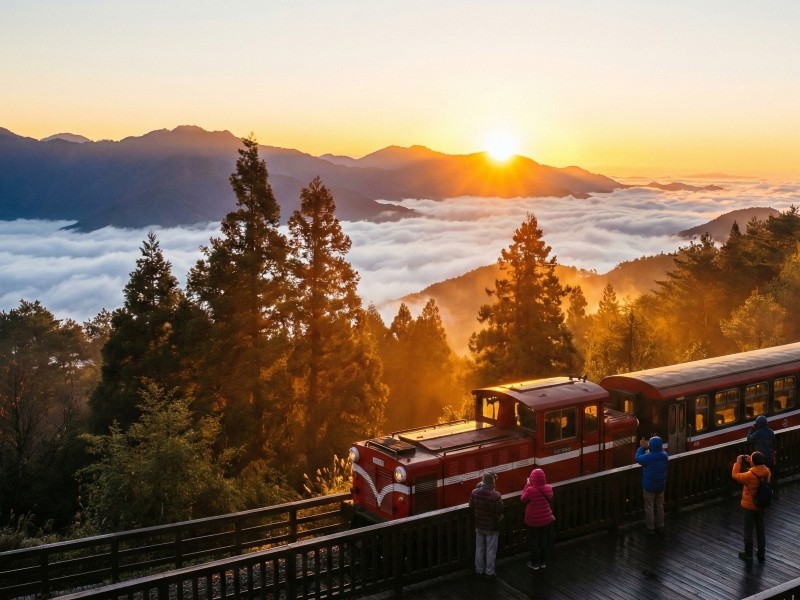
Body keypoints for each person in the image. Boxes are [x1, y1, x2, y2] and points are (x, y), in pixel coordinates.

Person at [732, 451, 771, 562]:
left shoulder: (749, 475)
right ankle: (761, 552)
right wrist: (752, 463)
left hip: (750, 506)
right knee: (760, 529)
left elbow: (735, 476)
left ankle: (748, 554)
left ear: (754, 462)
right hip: (762, 505)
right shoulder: (767, 472)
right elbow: (759, 471)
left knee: (748, 530)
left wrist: (738, 463)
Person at [469, 472, 504, 579]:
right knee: (490, 550)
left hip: (479, 525)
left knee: (479, 548)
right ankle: (489, 572)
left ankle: (479, 570)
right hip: (492, 527)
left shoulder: (474, 492)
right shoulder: (496, 496)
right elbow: (500, 510)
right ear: (492, 481)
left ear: (483, 480)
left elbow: (471, 506)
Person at [520, 468, 554, 571]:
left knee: (533, 541)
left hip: (533, 520)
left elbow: (523, 498)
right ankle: (543, 562)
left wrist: (528, 485)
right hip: (545, 519)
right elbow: (550, 496)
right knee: (543, 540)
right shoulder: (548, 488)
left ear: (532, 478)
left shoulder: (530, 490)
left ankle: (534, 563)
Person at [635, 435, 668, 534]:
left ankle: (650, 528)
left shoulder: (647, 457)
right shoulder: (664, 455)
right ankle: (660, 525)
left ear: (651, 446)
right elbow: (661, 451)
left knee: (649, 507)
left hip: (649, 486)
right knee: (659, 506)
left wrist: (642, 447)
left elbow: (637, 458)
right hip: (660, 485)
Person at [747, 415, 777, 489]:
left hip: (760, 458)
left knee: (760, 476)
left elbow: (749, 439)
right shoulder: (770, 431)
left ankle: (762, 491)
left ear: (758, 424)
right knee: (769, 474)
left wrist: (751, 429)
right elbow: (773, 442)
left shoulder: (758, 433)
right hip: (770, 456)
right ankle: (770, 489)